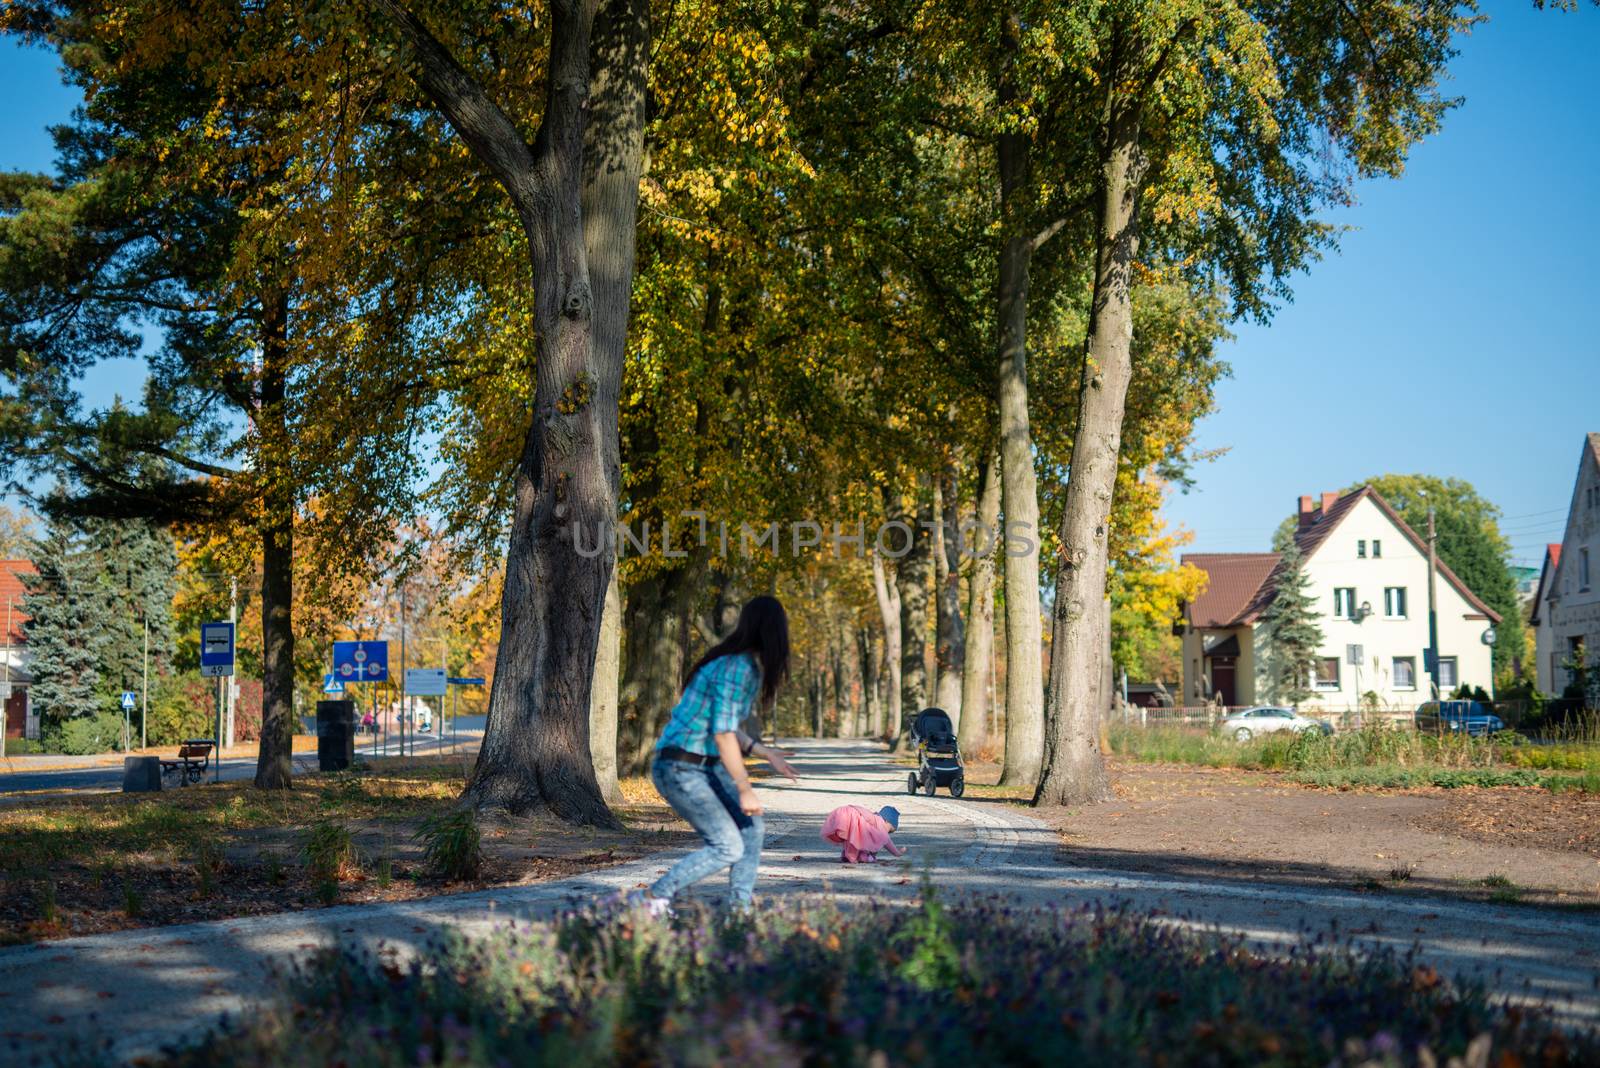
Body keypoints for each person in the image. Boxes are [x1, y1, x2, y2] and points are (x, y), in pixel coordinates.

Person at [635, 595, 797, 915]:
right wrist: (745, 788)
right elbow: (723, 735)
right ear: (774, 631)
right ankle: (653, 898)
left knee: (752, 828)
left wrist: (764, 753)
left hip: (700, 765)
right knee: (728, 845)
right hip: (680, 766)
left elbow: (724, 727)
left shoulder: (741, 664)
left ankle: (739, 912)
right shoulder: (738, 667)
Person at [821, 804, 905, 863]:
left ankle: (846, 855)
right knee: (855, 837)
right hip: (851, 814)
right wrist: (897, 853)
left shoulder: (872, 820)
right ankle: (852, 856)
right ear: (886, 820)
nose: (887, 833)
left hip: (843, 812)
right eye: (890, 830)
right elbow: (887, 841)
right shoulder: (879, 822)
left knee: (851, 837)